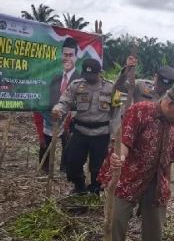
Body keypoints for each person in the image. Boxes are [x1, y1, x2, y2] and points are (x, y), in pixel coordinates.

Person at [96, 86, 174, 241]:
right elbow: (124, 139)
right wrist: (119, 158)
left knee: (155, 227)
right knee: (115, 223)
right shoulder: (140, 110)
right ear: (168, 103)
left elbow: (171, 159)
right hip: (128, 177)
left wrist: (167, 185)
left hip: (157, 181)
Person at [52, 59, 116, 194]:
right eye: (87, 76)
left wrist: (115, 135)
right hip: (80, 132)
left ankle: (94, 190)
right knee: (72, 163)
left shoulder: (111, 87)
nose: (89, 79)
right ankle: (79, 187)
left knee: (98, 168)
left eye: (92, 76)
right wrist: (58, 109)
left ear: (100, 73)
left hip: (101, 134)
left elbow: (117, 113)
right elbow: (65, 101)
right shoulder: (77, 85)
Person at [34, 37, 80, 172]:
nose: (67, 58)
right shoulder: (55, 78)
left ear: (76, 57)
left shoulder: (80, 79)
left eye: (71, 55)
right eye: (65, 55)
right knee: (45, 144)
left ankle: (64, 169)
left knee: (68, 146)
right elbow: (46, 103)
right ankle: (45, 168)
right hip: (51, 120)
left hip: (69, 121)